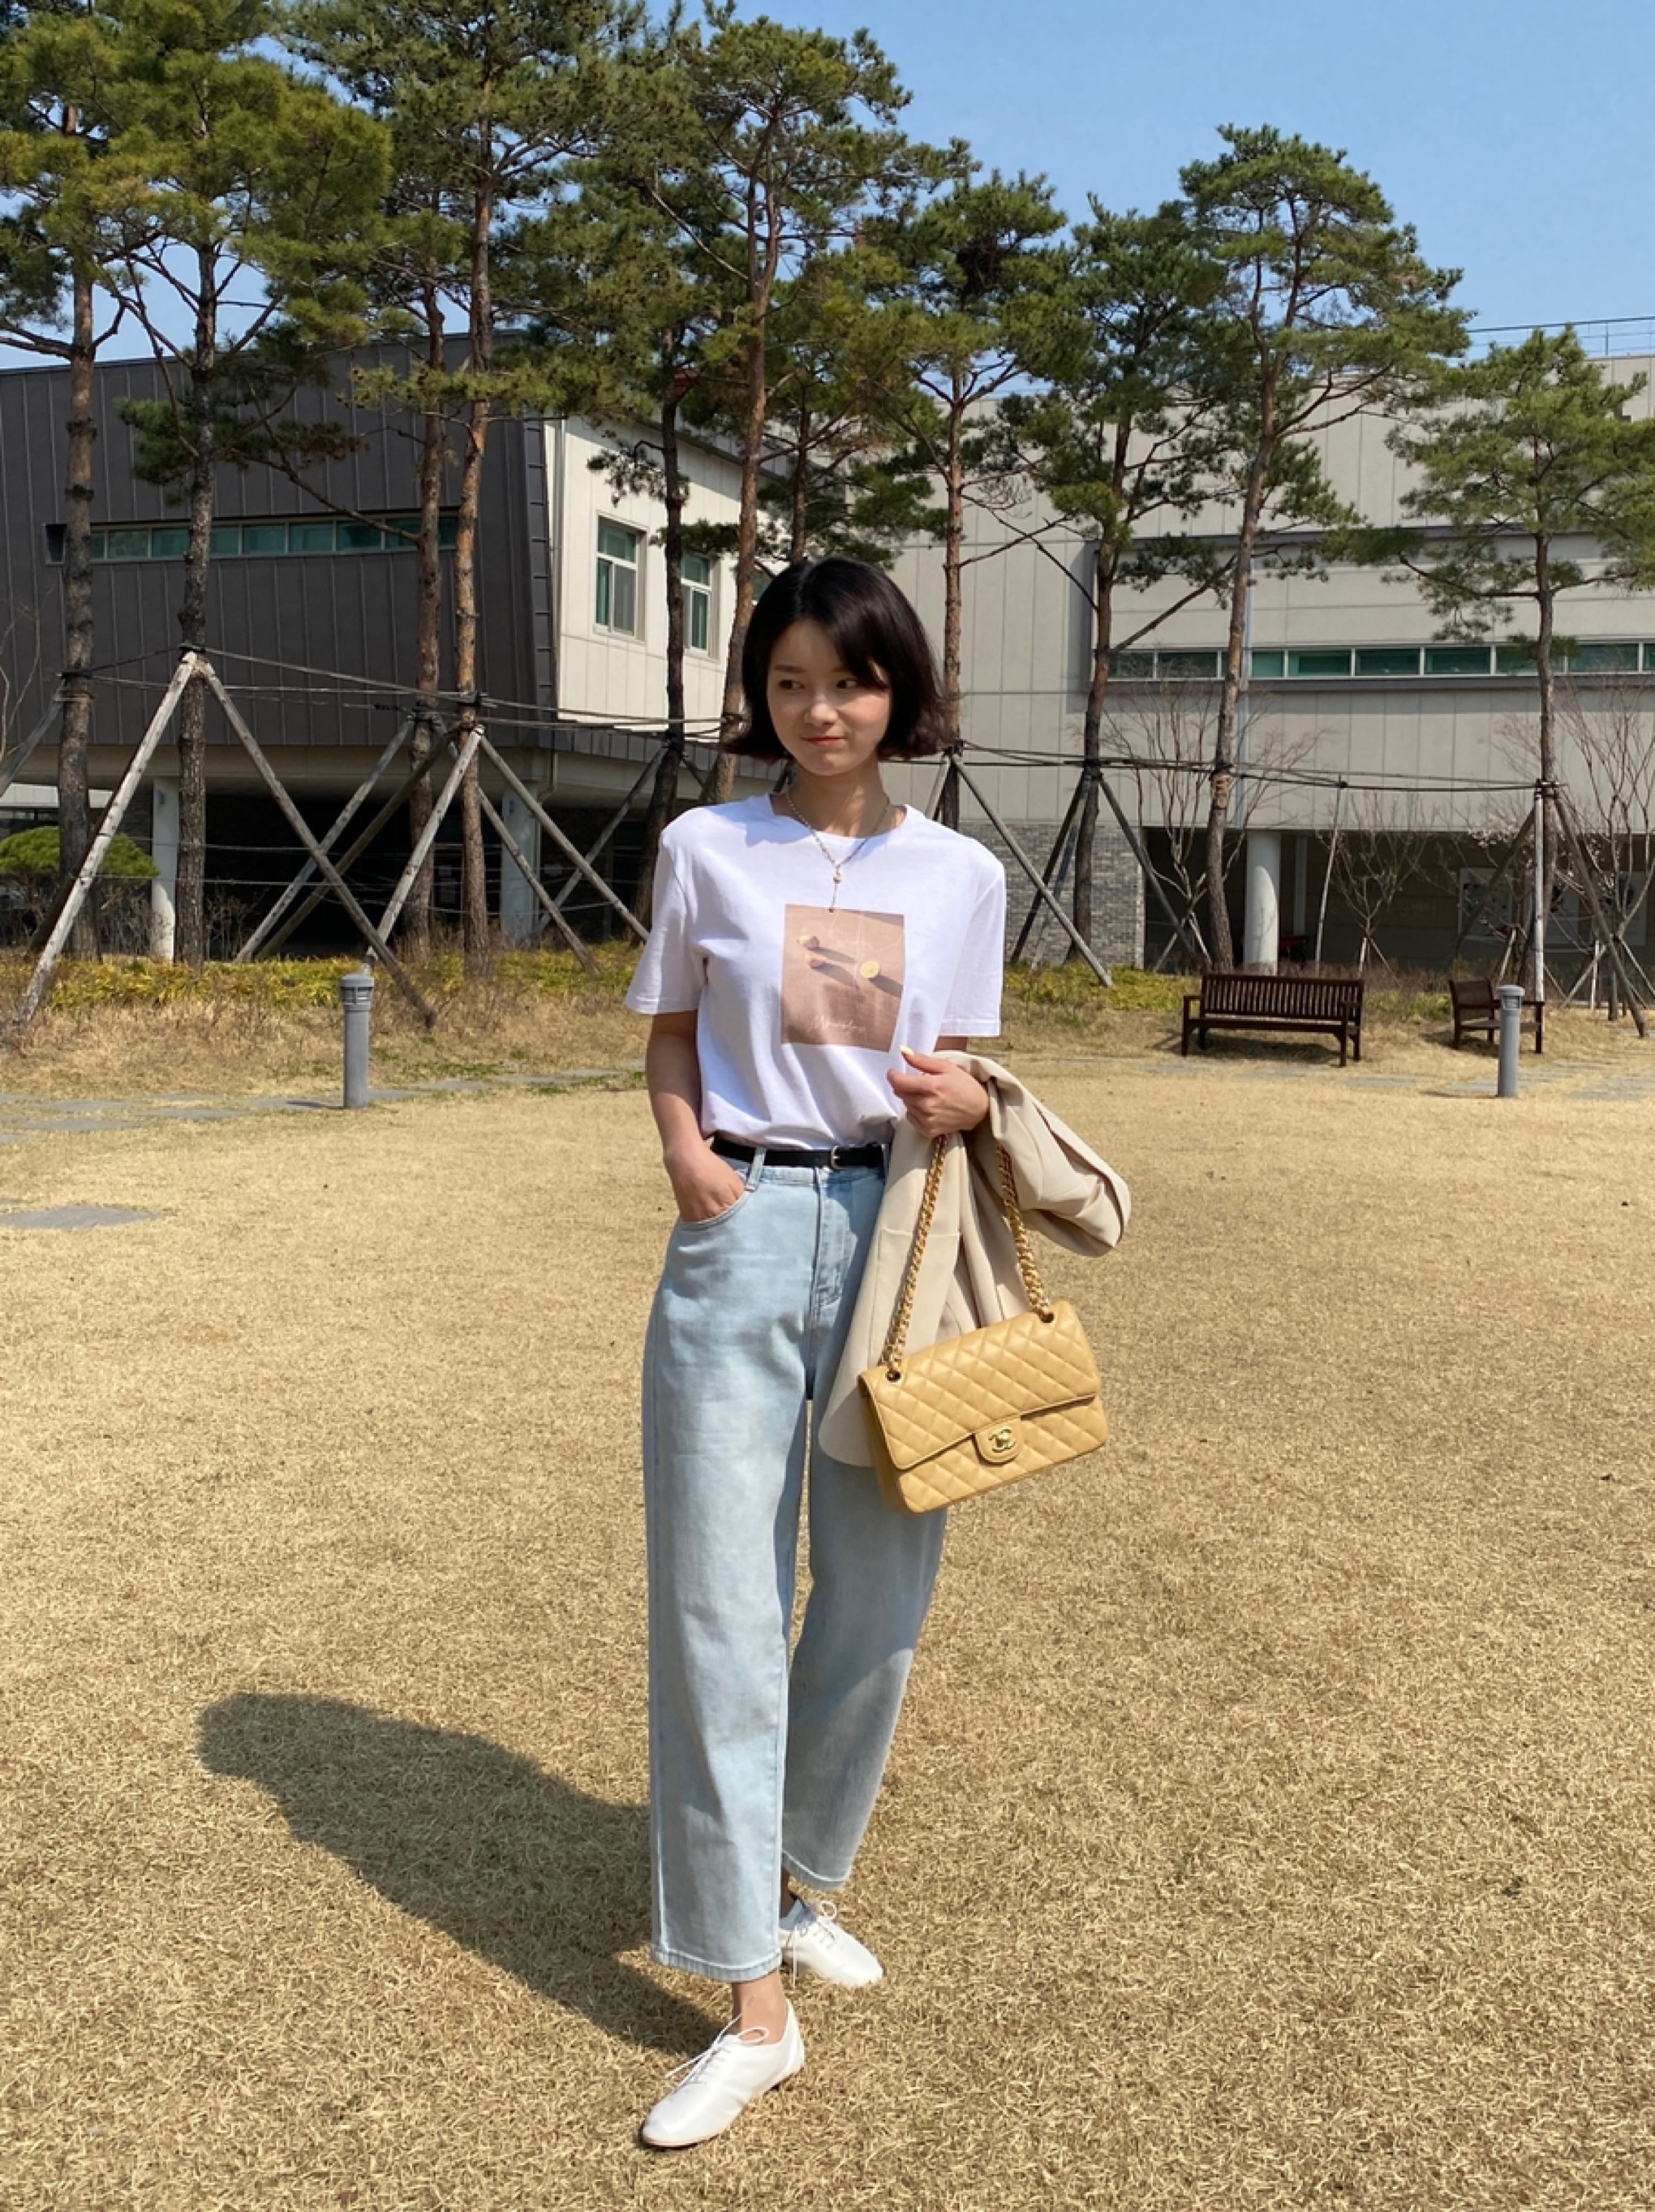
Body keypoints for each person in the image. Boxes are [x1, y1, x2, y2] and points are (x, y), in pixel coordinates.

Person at [625, 557, 1006, 2149]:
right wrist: (689, 1158)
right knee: (716, 1603)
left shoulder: (960, 873)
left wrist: (969, 1099)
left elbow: (963, 1062)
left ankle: (792, 1882)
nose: (819, 710)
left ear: (897, 692)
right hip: (740, 1224)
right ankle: (751, 2002)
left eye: (847, 682)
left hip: (895, 1237)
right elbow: (668, 1029)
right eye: (788, 682)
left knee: (877, 1595)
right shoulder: (705, 846)